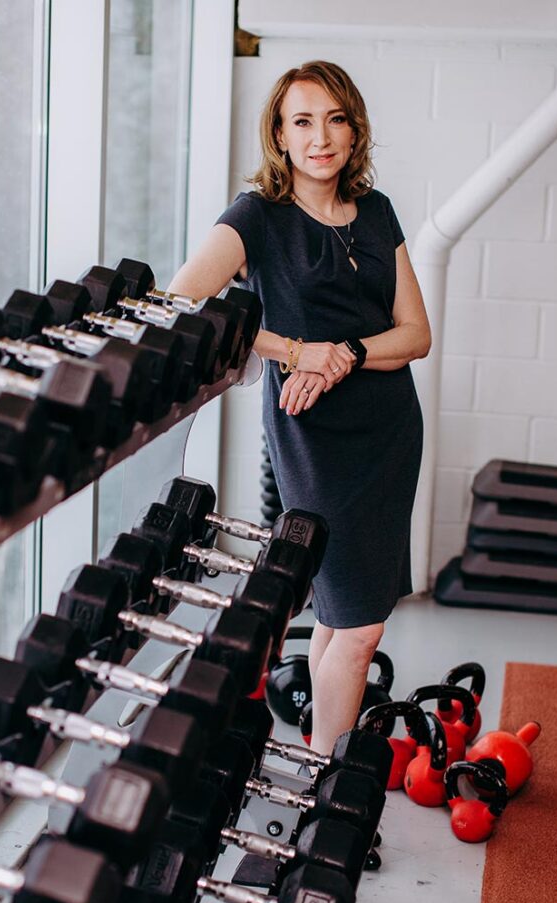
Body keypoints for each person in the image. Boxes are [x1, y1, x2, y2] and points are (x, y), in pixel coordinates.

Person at [168, 60, 430, 754]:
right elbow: (182, 306)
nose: (322, 137)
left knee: (346, 626)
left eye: (336, 119)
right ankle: (324, 793)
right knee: (359, 626)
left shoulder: (376, 211)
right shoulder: (257, 217)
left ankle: (318, 765)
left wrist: (340, 350)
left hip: (388, 432)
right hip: (314, 439)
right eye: (304, 121)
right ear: (280, 136)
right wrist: (295, 348)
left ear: (354, 130)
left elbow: (415, 335)